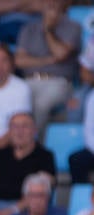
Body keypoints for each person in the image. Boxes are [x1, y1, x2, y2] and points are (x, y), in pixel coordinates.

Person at [13, 0, 78, 135]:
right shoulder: (29, 29)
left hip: (58, 82)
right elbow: (19, 61)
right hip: (28, 81)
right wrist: (49, 60)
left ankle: (34, 144)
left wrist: (49, 30)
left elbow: (60, 53)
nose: (51, 4)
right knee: (14, 101)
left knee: (40, 105)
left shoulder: (72, 27)